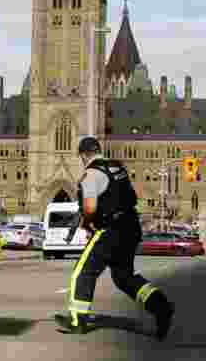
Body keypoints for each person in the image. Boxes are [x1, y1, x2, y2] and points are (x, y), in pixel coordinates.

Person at [56, 136, 175, 339]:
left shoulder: (91, 174)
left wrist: (86, 221)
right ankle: (161, 307)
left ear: (84, 156)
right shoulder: (116, 167)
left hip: (111, 230)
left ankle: (78, 320)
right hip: (131, 227)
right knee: (124, 277)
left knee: (83, 272)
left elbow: (90, 208)